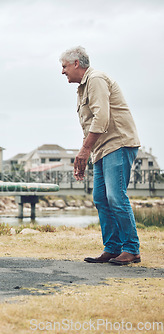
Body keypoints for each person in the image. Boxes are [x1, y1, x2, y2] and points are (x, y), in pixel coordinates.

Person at [60, 46, 141, 265]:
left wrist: (84, 150)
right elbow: (91, 126)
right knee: (101, 199)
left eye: (64, 66)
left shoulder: (95, 79)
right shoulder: (83, 87)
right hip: (102, 149)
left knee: (116, 196)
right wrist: (86, 151)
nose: (62, 71)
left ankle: (131, 249)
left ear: (76, 63)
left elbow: (102, 118)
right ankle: (113, 248)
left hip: (118, 144)